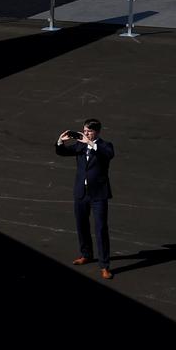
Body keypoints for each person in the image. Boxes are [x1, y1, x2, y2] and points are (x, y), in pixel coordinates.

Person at [56, 119, 116, 280]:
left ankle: (104, 266)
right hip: (81, 193)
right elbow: (62, 152)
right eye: (84, 130)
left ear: (97, 132)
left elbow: (108, 155)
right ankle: (86, 254)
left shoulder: (105, 146)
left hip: (98, 195)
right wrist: (61, 141)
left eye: (89, 131)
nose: (85, 133)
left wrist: (90, 143)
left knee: (100, 228)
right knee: (81, 225)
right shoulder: (80, 146)